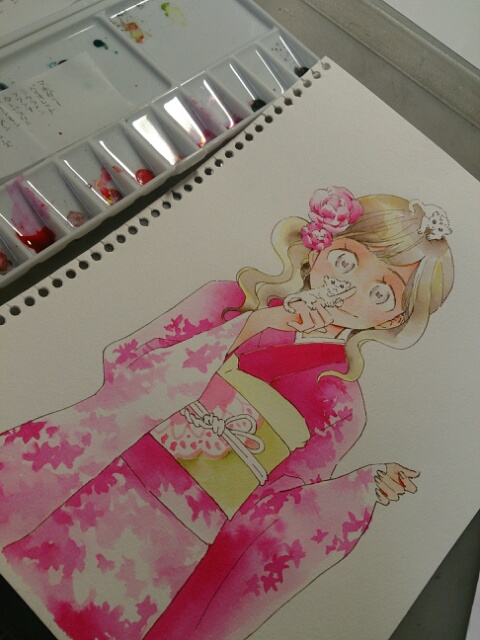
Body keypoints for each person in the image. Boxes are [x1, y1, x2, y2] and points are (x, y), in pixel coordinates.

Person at [0, 188, 453, 640]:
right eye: (346, 261)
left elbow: (279, 504)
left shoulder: (341, 402)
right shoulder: (229, 300)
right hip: (105, 471)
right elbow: (127, 365)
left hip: (172, 539)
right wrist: (252, 325)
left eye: (381, 292)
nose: (349, 289)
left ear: (393, 320)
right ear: (319, 246)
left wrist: (360, 489)